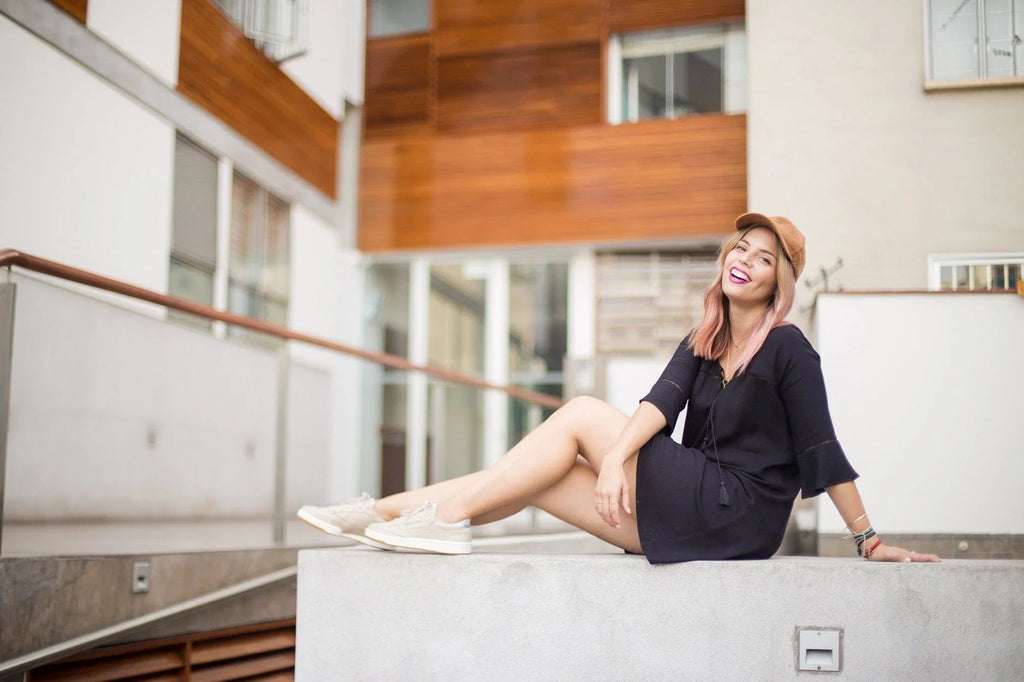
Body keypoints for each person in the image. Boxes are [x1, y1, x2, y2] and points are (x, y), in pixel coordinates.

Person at [298, 213, 940, 564]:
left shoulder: (789, 349)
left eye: (764, 258)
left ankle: (434, 521)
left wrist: (868, 539)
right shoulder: (706, 336)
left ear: (779, 283)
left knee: (576, 413)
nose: (744, 260)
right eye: (740, 248)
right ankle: (381, 513)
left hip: (740, 512)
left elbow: (821, 448)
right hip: (693, 505)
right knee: (536, 476)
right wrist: (621, 456)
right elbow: (659, 402)